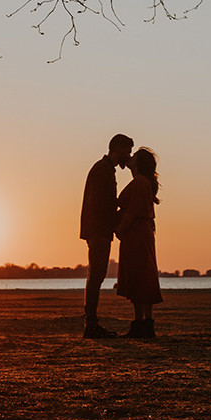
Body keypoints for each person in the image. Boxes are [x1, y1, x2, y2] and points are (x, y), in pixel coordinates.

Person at [80, 132, 133, 338]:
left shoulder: (103, 169)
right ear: (118, 148)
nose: (127, 156)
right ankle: (91, 324)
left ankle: (91, 323)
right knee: (96, 275)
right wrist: (119, 217)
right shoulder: (103, 170)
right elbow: (101, 204)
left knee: (96, 275)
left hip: (98, 229)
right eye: (126, 151)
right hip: (98, 230)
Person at [115, 146, 162, 338]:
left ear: (139, 163)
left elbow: (133, 212)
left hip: (136, 234)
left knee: (138, 275)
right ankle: (146, 323)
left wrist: (119, 229)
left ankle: (140, 324)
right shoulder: (142, 183)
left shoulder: (140, 183)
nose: (130, 157)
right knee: (144, 273)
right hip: (142, 233)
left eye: (133, 156)